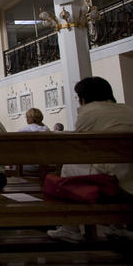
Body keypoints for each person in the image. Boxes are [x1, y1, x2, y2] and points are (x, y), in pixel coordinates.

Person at [47, 77, 133, 243]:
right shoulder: (128, 110)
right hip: (130, 178)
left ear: (82, 98)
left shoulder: (88, 113)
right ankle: (117, 226)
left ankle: (70, 228)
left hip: (112, 181)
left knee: (67, 169)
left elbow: (79, 150)